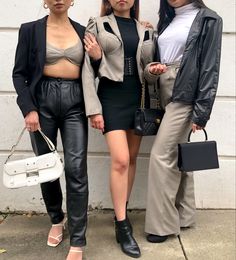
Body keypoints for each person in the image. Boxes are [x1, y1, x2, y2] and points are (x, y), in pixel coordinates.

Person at [12, 1, 100, 259]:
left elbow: (92, 71)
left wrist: (97, 58)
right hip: (42, 102)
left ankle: (78, 238)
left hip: (75, 102)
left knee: (76, 168)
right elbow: (19, 74)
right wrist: (28, 108)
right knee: (46, 166)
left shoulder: (84, 32)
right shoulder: (29, 30)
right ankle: (56, 218)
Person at [81, 0, 166, 258]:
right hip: (111, 98)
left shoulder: (147, 30)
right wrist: (93, 109)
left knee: (130, 161)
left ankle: (122, 212)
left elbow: (148, 71)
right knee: (119, 160)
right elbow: (86, 69)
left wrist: (154, 70)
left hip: (138, 99)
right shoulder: (97, 25)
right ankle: (122, 225)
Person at [144, 0, 223, 243]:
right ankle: (185, 216)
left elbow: (210, 66)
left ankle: (162, 226)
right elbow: (168, 54)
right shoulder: (169, 18)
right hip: (164, 88)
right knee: (180, 155)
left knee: (161, 155)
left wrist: (202, 111)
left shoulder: (209, 18)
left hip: (185, 92)